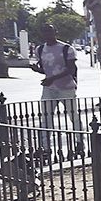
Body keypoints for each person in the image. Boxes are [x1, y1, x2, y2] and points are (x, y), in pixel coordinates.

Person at [30, 24, 82, 159]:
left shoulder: (66, 49)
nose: (47, 34)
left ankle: (80, 143)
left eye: (50, 31)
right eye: (45, 32)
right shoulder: (40, 49)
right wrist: (37, 70)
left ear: (55, 32)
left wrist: (51, 78)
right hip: (49, 88)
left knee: (74, 117)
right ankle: (46, 148)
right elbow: (46, 69)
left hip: (66, 88)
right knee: (46, 118)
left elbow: (71, 69)